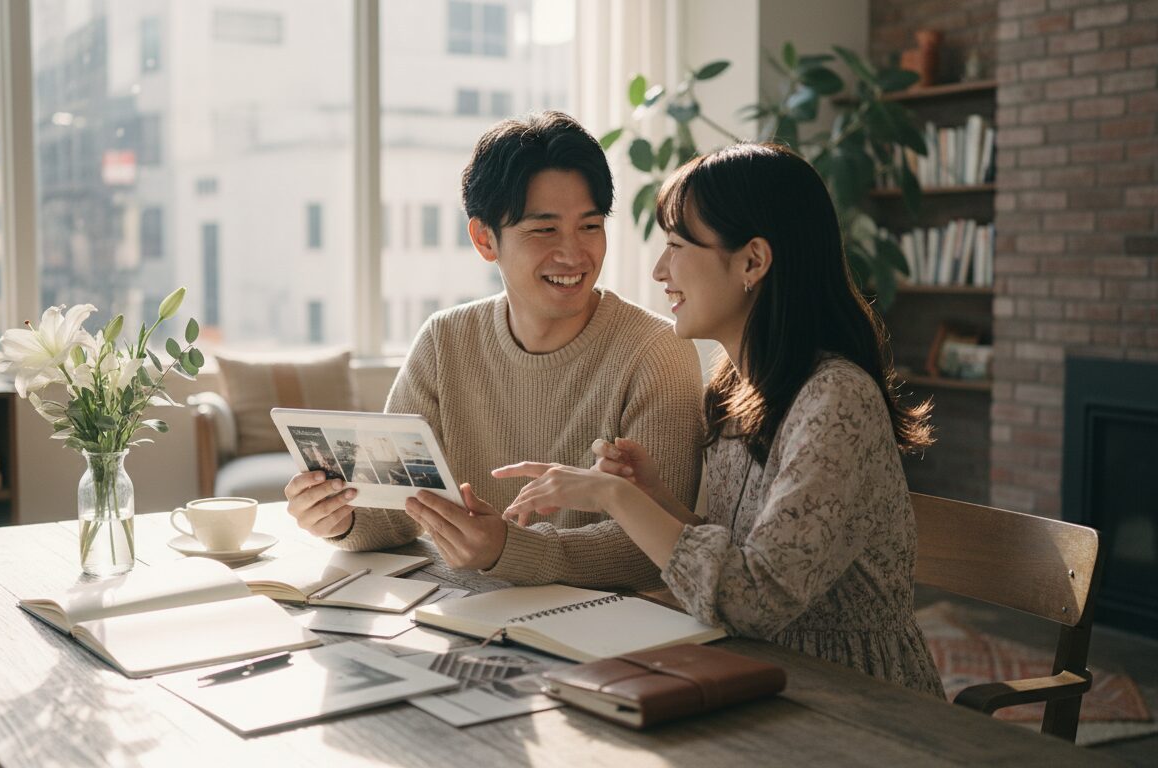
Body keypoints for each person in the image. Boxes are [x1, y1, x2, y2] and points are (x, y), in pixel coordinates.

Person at [496, 143, 945, 696]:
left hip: (855, 696)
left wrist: (616, 498)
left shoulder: (837, 400)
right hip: (756, 673)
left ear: (752, 262)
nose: (660, 271)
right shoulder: (735, 388)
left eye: (677, 246)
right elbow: (740, 559)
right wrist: (655, 497)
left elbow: (753, 601)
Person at [283, 111, 704, 590]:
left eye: (590, 226)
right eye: (544, 230)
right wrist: (339, 517)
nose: (574, 254)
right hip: (465, 612)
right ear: (485, 239)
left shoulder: (656, 353)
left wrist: (508, 549)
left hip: (605, 621)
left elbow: (657, 548)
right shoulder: (444, 341)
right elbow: (399, 510)